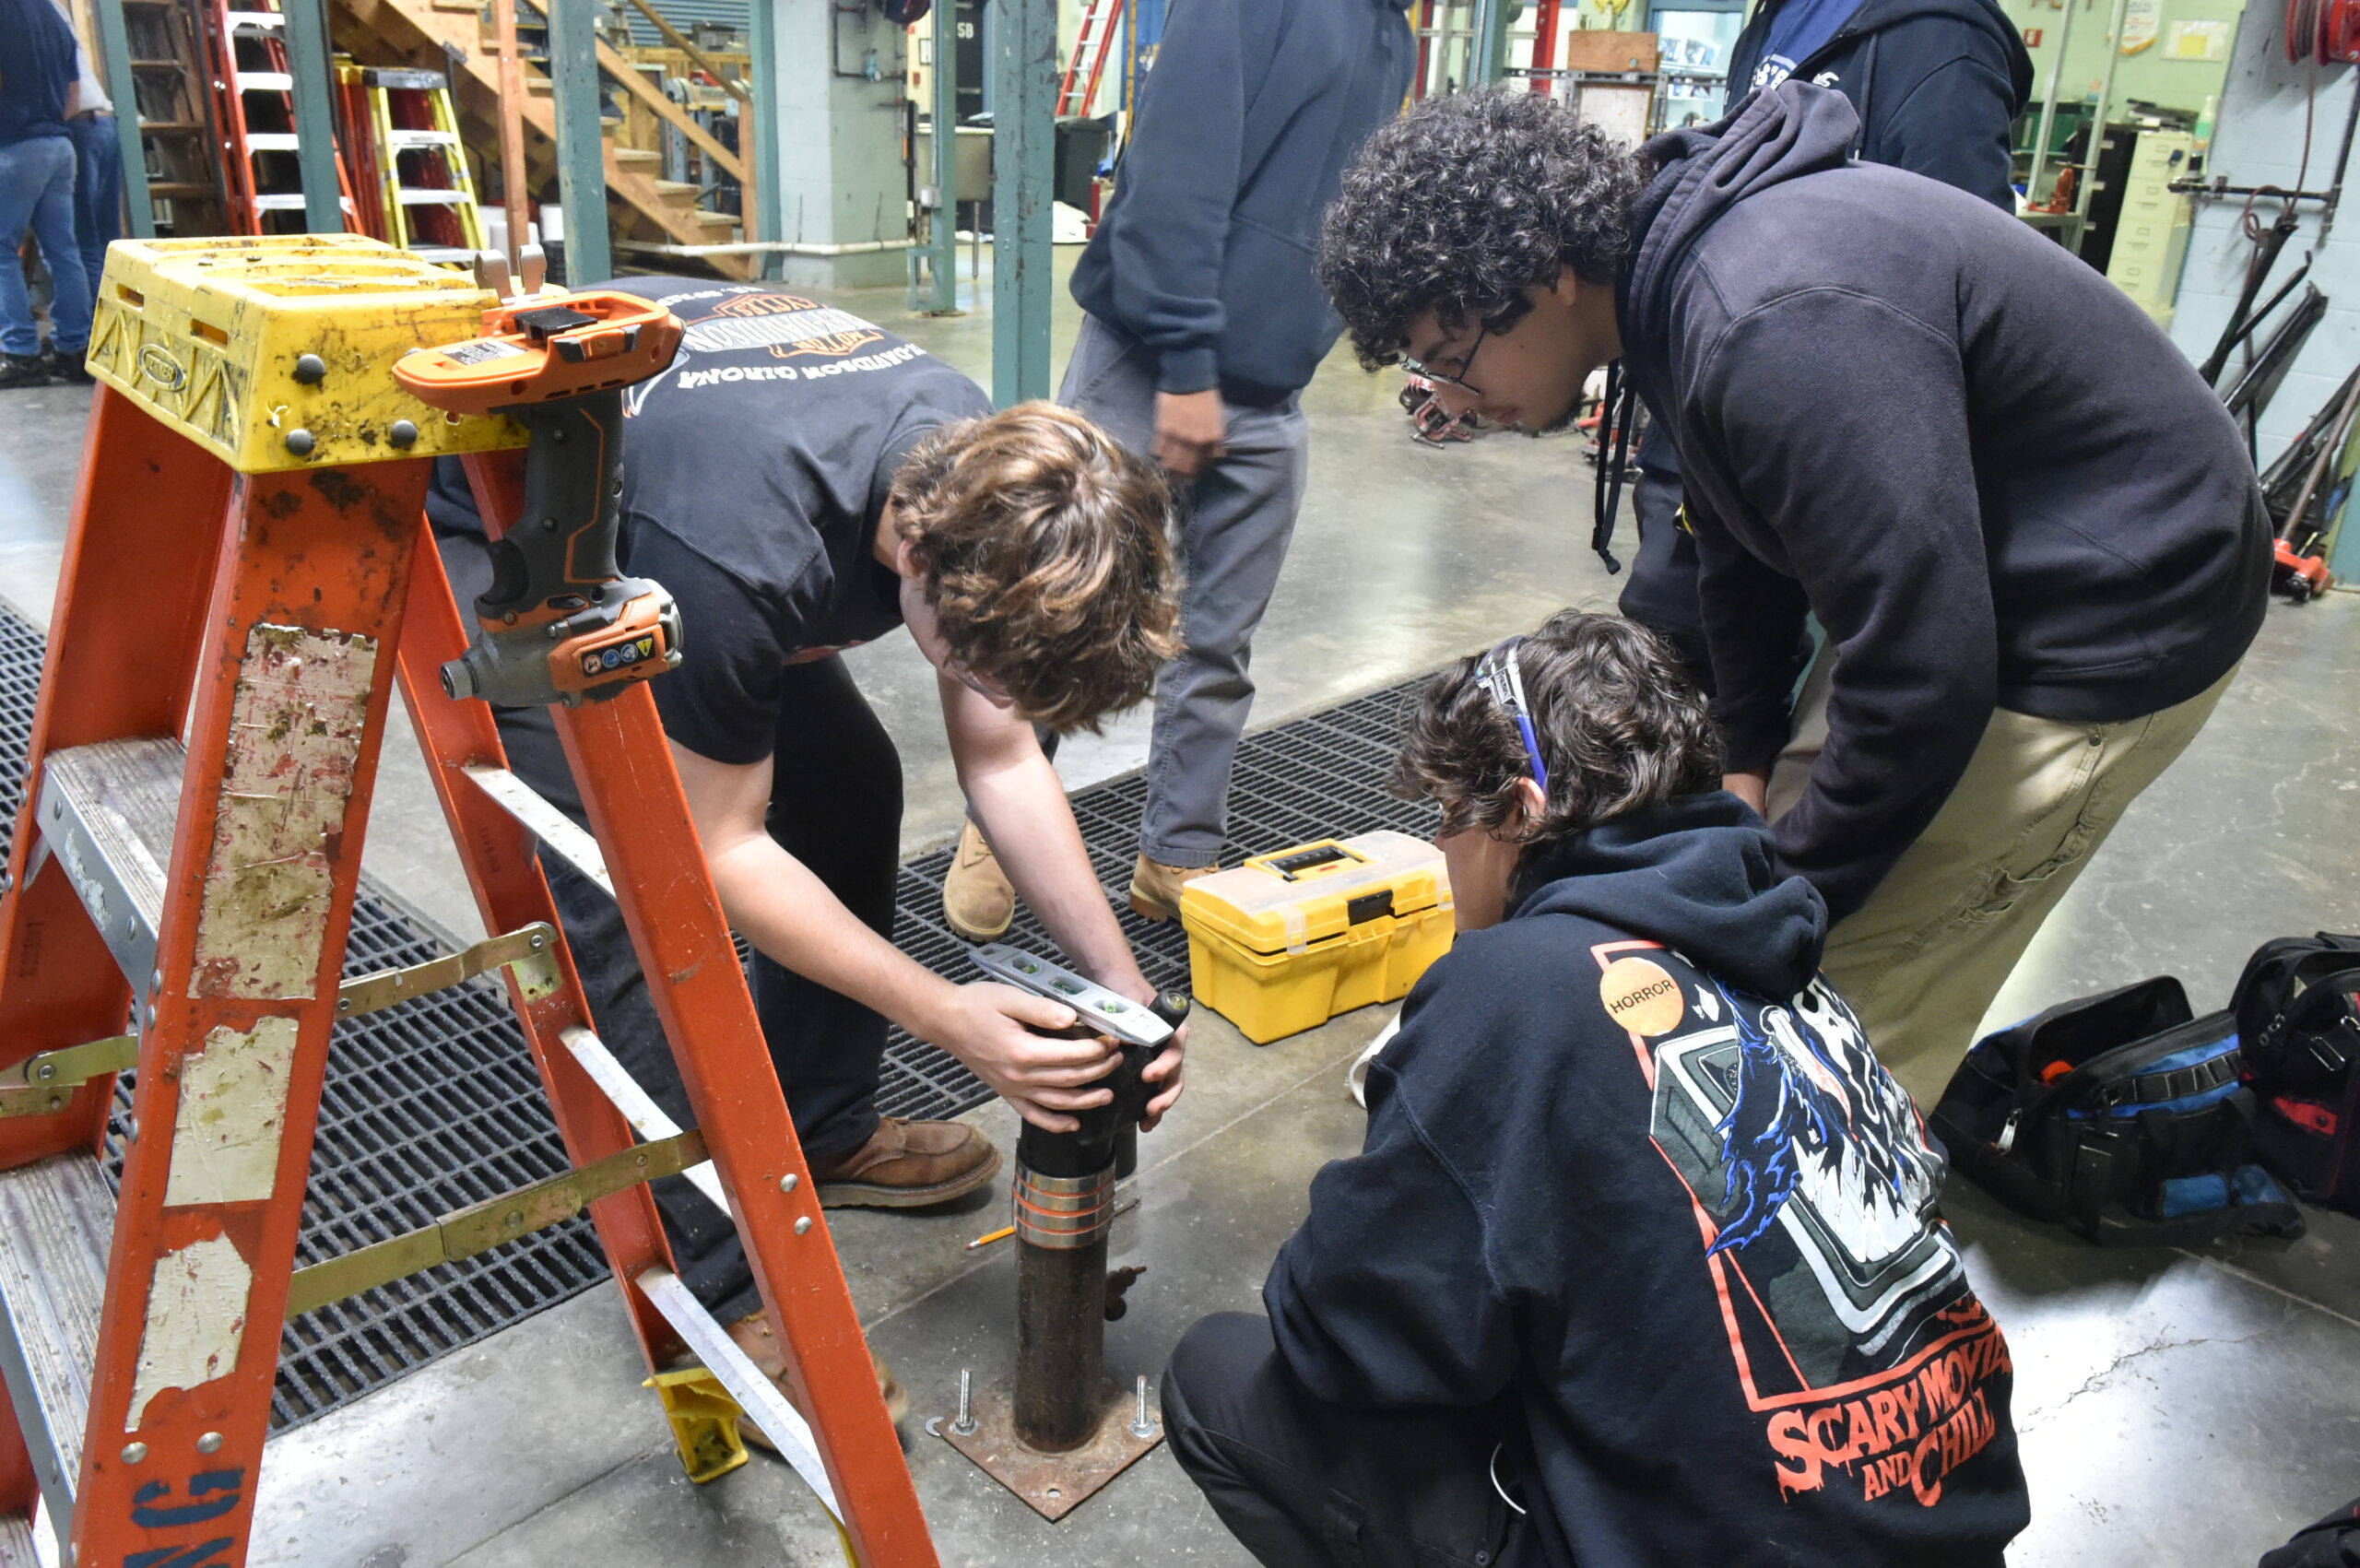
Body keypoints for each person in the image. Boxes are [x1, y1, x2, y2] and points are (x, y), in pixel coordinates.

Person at [1317, 86, 2269, 1099]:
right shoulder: (1673, 286)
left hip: (2113, 614)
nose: (1461, 402)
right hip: (1974, 589)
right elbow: (1735, 543)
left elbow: (1926, 672)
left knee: (1829, 1010)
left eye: (1451, 361)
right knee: (1771, 902)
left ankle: (1839, 1219)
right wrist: (1748, 759)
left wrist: (1775, 914)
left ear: (1545, 276)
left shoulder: (1771, 317)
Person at [431, 278, 1186, 1384]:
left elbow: (1001, 754)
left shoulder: (983, 472)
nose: (981, 693)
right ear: (915, 565)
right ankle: (724, 1291)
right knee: (628, 895)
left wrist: (1128, 992)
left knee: (850, 786)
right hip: (519, 528)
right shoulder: (746, 558)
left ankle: (823, 1126)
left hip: (700, 496)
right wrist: (944, 1015)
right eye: (971, 667)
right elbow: (719, 850)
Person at [1162, 611, 2030, 1568]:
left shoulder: (1520, 984)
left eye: (1450, 818)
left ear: (1520, 813)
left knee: (1219, 1380)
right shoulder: (1792, 958)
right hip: (1948, 1524)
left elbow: (1342, 1333)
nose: (1444, 851)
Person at [938, 0, 1416, 941]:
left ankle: (1175, 854)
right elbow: (1173, 188)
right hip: (1150, 365)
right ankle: (1001, 813)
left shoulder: (1390, 34)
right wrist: (1190, 370)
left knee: (1217, 644)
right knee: (1058, 602)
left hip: (1273, 392)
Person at [1617, 0, 2034, 690]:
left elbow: (1953, 284)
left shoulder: (1941, 40)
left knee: (1787, 717)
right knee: (1670, 678)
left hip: (1813, 458)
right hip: (1708, 435)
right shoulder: (1777, 18)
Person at [0, 0, 93, 389]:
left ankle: (21, 355)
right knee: (63, 252)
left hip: (14, 145)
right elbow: (75, 92)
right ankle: (75, 350)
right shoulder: (52, 14)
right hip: (59, 143)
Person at [53, 0, 120, 337]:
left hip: (77, 126)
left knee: (86, 242)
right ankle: (119, 328)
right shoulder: (54, 10)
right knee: (108, 240)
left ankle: (99, 337)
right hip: (104, 123)